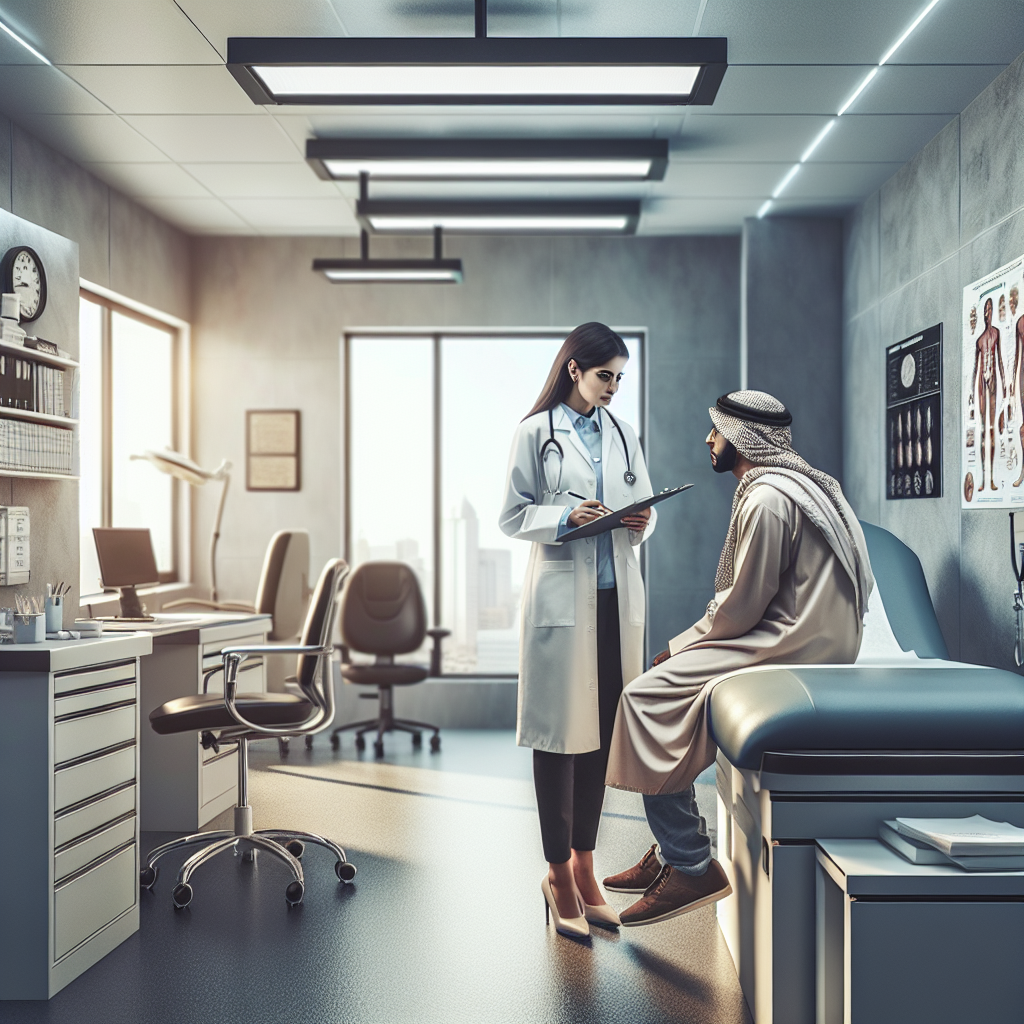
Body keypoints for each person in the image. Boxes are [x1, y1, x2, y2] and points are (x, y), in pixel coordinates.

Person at [602, 390, 873, 927]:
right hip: (818, 635)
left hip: (793, 640)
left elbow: (742, 606)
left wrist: (679, 646)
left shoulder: (768, 497)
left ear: (744, 438)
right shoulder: (805, 484)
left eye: (717, 431)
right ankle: (670, 850)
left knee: (644, 695)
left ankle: (689, 863)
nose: (708, 440)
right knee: (664, 686)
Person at [499, 322, 655, 939]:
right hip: (563, 603)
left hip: (617, 604)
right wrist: (566, 516)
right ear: (574, 370)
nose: (613, 388)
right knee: (558, 738)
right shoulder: (535, 433)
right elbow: (512, 515)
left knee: (600, 738)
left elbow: (642, 509)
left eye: (620, 378)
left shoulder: (623, 433)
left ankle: (588, 867)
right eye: (604, 376)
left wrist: (640, 520)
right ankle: (558, 873)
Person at [970, 297, 1006, 491]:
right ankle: (984, 480)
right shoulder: (979, 340)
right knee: (983, 430)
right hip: (981, 387)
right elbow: (976, 369)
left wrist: (1006, 384)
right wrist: (971, 392)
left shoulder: (997, 334)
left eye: (990, 309)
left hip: (993, 385)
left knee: (991, 430)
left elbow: (999, 359)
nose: (988, 313)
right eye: (986, 309)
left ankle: (990, 479)